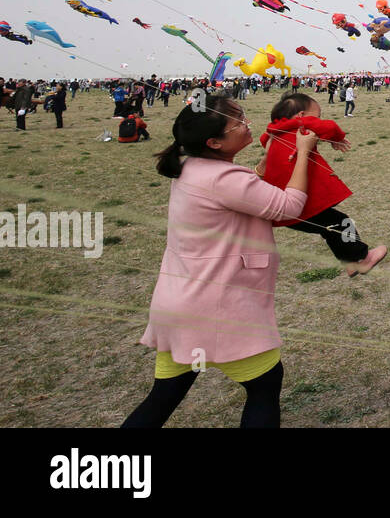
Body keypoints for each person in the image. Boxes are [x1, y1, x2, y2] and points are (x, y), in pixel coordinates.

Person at [124, 94, 315, 428]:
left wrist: (265, 162)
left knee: (162, 399)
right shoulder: (223, 179)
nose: (246, 125)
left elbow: (242, 189)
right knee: (263, 388)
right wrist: (303, 154)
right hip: (219, 310)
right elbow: (289, 206)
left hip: (179, 307)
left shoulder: (191, 166)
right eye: (237, 124)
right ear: (213, 142)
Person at [257, 93, 386, 277]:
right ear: (301, 116)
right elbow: (329, 126)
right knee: (340, 223)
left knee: (331, 228)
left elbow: (264, 141)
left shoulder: (272, 133)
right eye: (316, 116)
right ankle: (361, 259)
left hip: (281, 204)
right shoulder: (299, 125)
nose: (318, 121)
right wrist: (337, 137)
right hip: (300, 204)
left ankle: (350, 262)